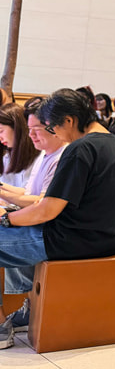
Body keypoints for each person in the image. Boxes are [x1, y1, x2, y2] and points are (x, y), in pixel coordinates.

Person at [0, 89, 115, 348]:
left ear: (69, 121)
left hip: (72, 240)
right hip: (111, 239)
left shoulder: (80, 148)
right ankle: (29, 309)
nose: (54, 134)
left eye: (52, 127)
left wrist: (7, 220)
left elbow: (47, 210)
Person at [0, 99, 68, 308]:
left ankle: (7, 320)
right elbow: (29, 193)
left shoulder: (63, 156)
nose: (31, 135)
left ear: (55, 127)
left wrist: (6, 215)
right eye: (29, 129)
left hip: (47, 230)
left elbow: (41, 202)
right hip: (36, 222)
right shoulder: (45, 155)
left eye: (35, 130)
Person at [0, 103, 40, 189]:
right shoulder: (7, 157)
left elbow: (30, 195)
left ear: (16, 128)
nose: (0, 138)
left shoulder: (40, 157)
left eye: (1, 131)